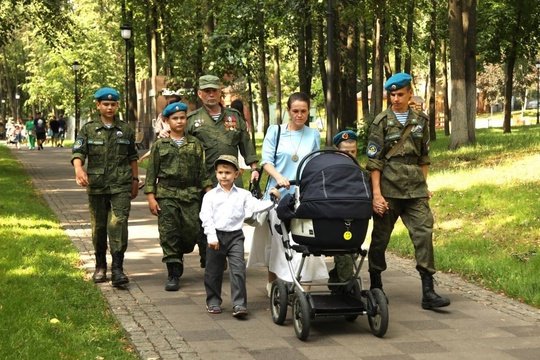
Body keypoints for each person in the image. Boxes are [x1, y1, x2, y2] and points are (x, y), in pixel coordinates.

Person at [366, 72, 450, 310]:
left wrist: (424, 187)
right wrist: (376, 195)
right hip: (388, 191)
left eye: (400, 94)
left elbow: (424, 158)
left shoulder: (421, 120)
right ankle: (375, 283)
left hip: (414, 192)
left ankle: (428, 291)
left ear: (409, 93)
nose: (395, 98)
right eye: (392, 94)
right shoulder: (381, 122)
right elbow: (374, 163)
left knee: (424, 234)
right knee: (380, 238)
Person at [247, 91, 329, 296]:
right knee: (277, 240)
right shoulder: (275, 131)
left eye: (303, 111)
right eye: (295, 111)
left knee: (302, 238)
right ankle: (273, 281)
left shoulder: (313, 134)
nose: (299, 115)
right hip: (278, 193)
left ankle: (302, 281)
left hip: (302, 194)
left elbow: (315, 162)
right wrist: (280, 178)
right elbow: (266, 161)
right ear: (288, 111)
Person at [187, 75, 260, 268]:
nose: (211, 94)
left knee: (233, 218)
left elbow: (245, 142)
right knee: (207, 219)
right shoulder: (192, 120)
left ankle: (232, 254)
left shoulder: (233, 117)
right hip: (204, 179)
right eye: (207, 91)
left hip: (231, 179)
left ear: (220, 92)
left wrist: (254, 167)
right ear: (200, 94)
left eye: (214, 90)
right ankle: (210, 257)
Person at [71, 87, 139, 288]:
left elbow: (132, 156)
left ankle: (118, 268)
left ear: (117, 105)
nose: (109, 107)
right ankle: (100, 265)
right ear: (98, 105)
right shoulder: (89, 129)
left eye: (113, 104)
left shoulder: (125, 129)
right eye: (105, 104)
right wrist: (79, 170)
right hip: (97, 185)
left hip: (120, 184)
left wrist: (135, 180)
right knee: (99, 227)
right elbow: (78, 151)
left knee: (118, 223)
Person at [144, 102, 212, 291]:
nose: (179, 121)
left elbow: (202, 171)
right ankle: (173, 272)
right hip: (167, 195)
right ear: (166, 121)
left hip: (191, 195)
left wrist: (209, 194)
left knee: (191, 232)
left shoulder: (195, 144)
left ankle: (180, 255)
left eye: (182, 117)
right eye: (175, 118)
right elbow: (151, 173)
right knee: (169, 232)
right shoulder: (159, 145)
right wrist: (151, 197)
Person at [200, 154, 276, 317]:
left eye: (227, 172)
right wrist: (211, 236)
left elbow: (256, 206)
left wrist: (273, 201)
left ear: (237, 174)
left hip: (235, 236)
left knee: (238, 270)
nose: (224, 176)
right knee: (213, 271)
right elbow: (206, 218)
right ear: (216, 173)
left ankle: (239, 304)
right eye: (220, 172)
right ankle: (213, 301)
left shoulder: (243, 195)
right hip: (216, 237)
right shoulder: (210, 196)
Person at [327, 129, 359, 285]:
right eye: (346, 152)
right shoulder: (329, 172)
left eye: (353, 151)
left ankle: (336, 279)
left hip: (355, 221)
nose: (350, 155)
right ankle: (346, 285)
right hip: (334, 220)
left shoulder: (361, 172)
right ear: (337, 152)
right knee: (344, 253)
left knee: (351, 252)